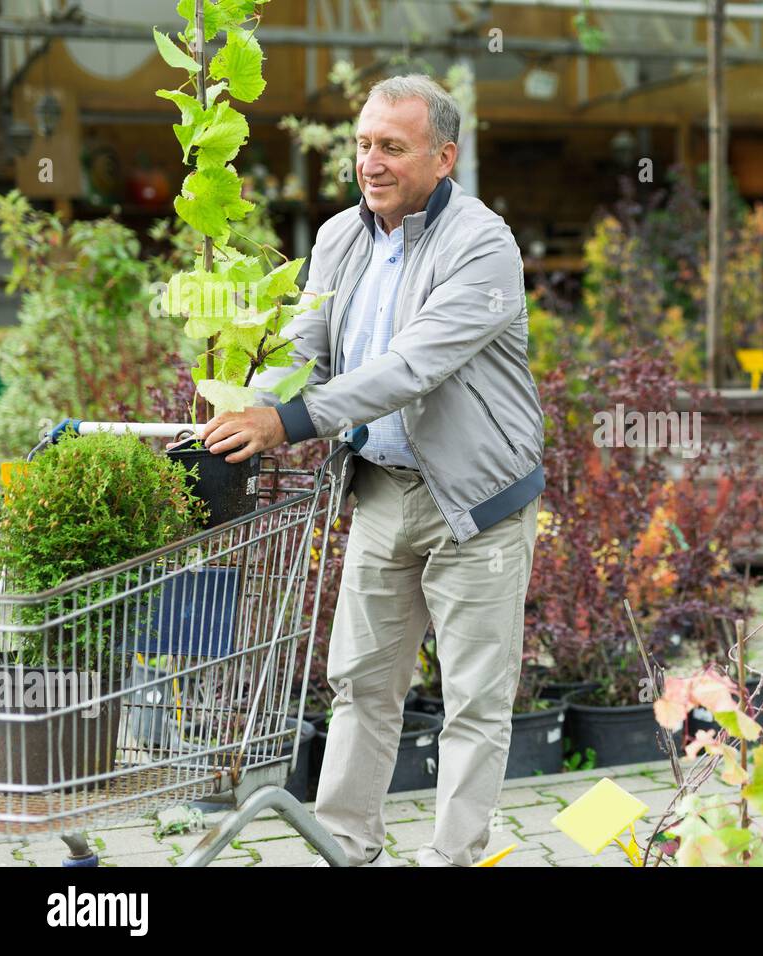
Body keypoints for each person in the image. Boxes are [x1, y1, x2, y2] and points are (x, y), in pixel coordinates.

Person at [197, 74, 545, 867]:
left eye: (393, 146)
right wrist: (242, 405)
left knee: (474, 702)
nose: (372, 161)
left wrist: (285, 423)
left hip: (478, 504)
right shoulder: (338, 238)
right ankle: (344, 848)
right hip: (384, 493)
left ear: (443, 156)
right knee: (359, 684)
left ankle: (451, 858)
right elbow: (303, 350)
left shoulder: (483, 245)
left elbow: (411, 367)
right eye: (363, 143)